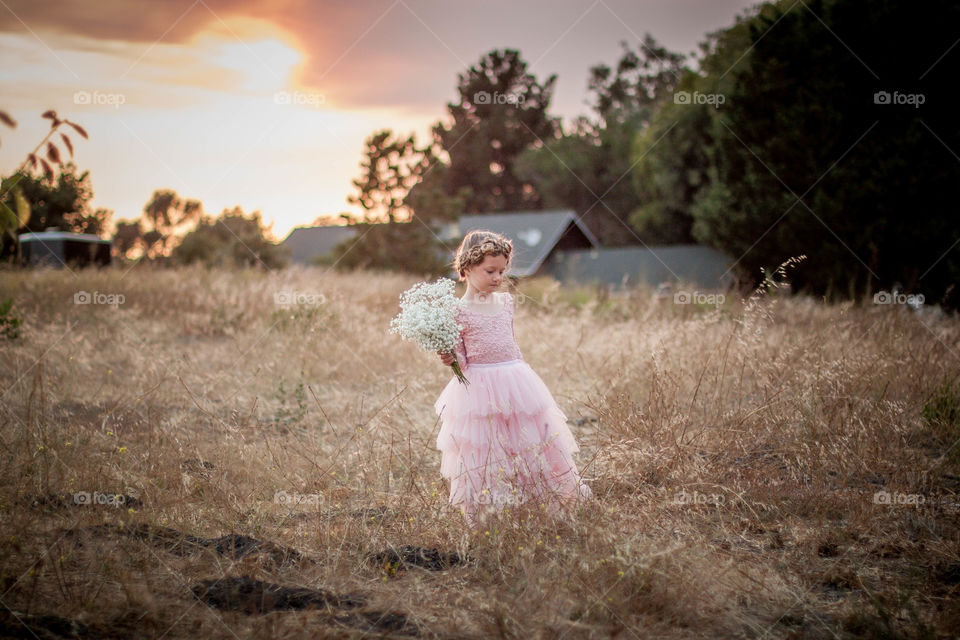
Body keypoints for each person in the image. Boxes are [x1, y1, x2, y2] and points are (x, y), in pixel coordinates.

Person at [434, 230, 593, 529]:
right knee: (487, 448)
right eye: (489, 271)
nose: (497, 278)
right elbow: (462, 360)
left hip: (517, 381)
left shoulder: (505, 303)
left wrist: (518, 372)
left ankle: (540, 506)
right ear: (467, 268)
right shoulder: (457, 311)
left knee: (530, 442)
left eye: (502, 271)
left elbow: (512, 344)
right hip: (479, 388)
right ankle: (490, 514)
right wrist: (449, 357)